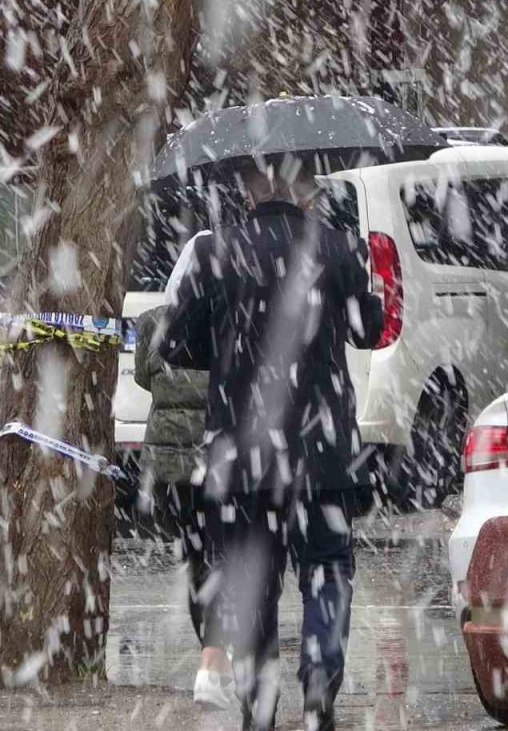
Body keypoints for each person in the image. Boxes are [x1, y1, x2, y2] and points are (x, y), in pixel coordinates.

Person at [160, 164, 384, 731]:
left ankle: (258, 708)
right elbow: (372, 330)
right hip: (323, 448)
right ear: (305, 188)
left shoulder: (215, 251)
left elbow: (176, 345)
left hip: (242, 453)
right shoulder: (339, 248)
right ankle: (318, 680)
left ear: (247, 189)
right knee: (327, 568)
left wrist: (230, 349)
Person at [132, 229, 235, 710]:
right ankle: (212, 663)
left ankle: (213, 660)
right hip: (217, 462)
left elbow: (143, 377)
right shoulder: (231, 321)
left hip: (170, 468)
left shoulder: (155, 322)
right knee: (222, 558)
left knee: (198, 561)